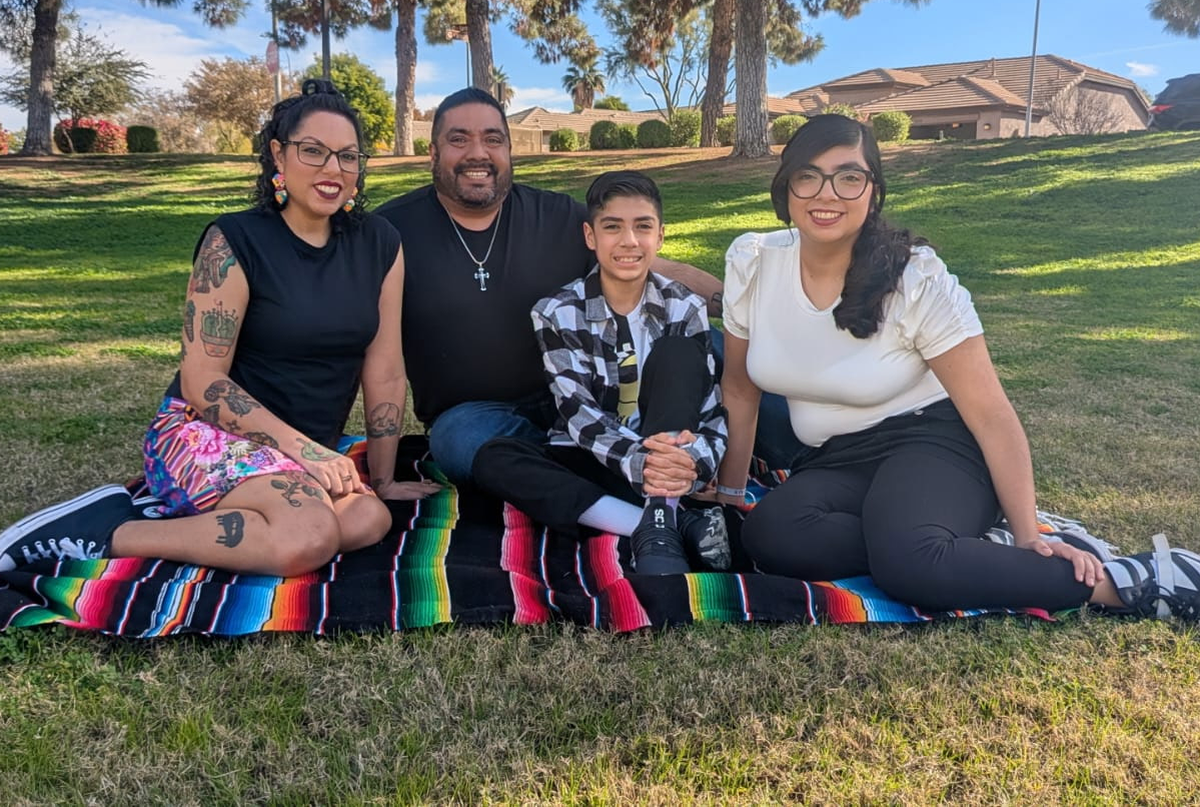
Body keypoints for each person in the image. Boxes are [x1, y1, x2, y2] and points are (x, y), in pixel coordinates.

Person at [714, 113, 1200, 619]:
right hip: (836, 457)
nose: (826, 193)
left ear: (873, 190)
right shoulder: (754, 262)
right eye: (808, 175)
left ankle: (1129, 580)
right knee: (771, 535)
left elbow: (990, 412)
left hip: (934, 443)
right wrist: (729, 492)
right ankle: (949, 546)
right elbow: (741, 389)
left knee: (912, 565)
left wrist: (1029, 535)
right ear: (786, 186)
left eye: (849, 176)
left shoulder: (915, 279)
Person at [0, 79, 441, 576]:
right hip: (204, 432)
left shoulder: (380, 242)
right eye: (313, 151)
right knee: (308, 536)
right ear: (278, 154)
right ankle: (104, 530)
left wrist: (382, 480)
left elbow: (385, 368)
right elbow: (203, 381)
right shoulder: (232, 242)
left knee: (368, 519)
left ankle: (223, 518)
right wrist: (306, 452)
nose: (332, 169)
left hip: (301, 451)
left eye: (348, 156)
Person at [375, 88, 726, 486]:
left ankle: (606, 465)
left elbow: (647, 264)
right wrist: (381, 478)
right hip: (483, 417)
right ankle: (614, 468)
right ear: (433, 153)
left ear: (509, 151)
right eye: (459, 139)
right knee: (457, 440)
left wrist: (735, 305)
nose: (478, 153)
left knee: (712, 343)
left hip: (586, 389)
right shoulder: (392, 231)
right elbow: (372, 355)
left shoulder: (556, 216)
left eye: (493, 139)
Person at [472, 171, 729, 574]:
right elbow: (578, 414)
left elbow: (710, 410)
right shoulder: (557, 312)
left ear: (660, 236)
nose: (629, 241)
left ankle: (660, 519)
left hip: (669, 453)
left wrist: (696, 463)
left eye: (642, 227)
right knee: (494, 458)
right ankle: (668, 523)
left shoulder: (684, 306)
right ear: (590, 237)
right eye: (613, 227)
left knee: (678, 353)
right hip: (598, 455)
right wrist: (643, 463)